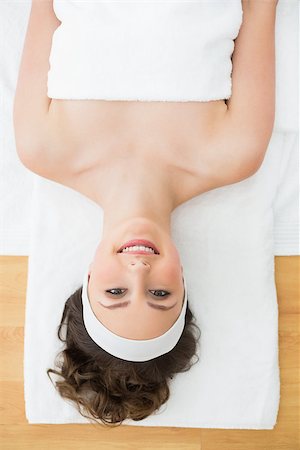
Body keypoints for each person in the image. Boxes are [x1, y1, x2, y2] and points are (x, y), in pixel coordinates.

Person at [13, 0, 278, 426]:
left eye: (115, 293)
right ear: (184, 285)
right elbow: (262, 7)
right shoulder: (235, 153)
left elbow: (44, 7)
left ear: (87, 280)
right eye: (160, 295)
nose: (139, 270)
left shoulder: (42, 148)